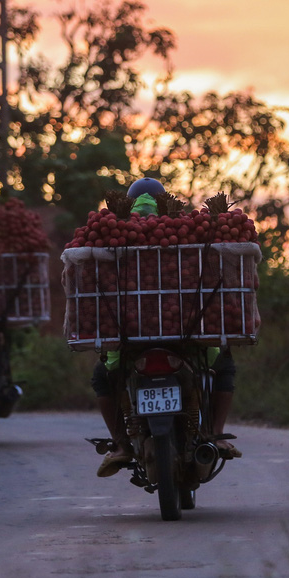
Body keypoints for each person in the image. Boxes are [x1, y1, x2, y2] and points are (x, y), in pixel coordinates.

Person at [92, 176, 242, 478]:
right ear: (164, 200)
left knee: (102, 377)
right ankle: (215, 432)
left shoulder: (116, 234)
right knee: (223, 365)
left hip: (130, 336)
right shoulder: (183, 234)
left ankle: (121, 444)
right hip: (184, 333)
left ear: (130, 201)